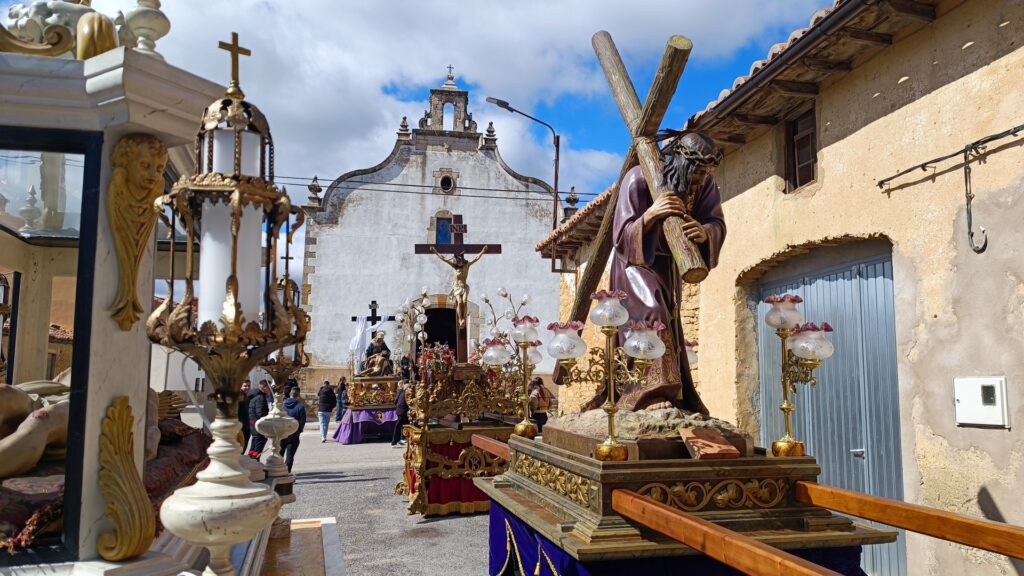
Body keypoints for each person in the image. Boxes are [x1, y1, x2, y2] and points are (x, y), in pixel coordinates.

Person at [583, 131, 725, 415]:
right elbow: (621, 235)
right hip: (635, 263)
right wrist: (651, 214)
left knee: (668, 321)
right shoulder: (638, 178)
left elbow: (715, 221)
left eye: (705, 172)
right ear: (681, 162)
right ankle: (648, 392)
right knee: (652, 312)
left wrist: (705, 231)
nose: (700, 178)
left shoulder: (705, 185)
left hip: (668, 267)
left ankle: (672, 393)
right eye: (696, 171)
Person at [431, 246, 487, 328]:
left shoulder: (467, 265)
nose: (458, 262)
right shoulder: (454, 267)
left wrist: (482, 251)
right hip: (457, 288)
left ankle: (464, 318)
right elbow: (444, 258)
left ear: (462, 260)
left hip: (464, 287)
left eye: (459, 261)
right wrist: (435, 251)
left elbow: (476, 258)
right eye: (457, 261)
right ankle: (460, 319)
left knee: (464, 301)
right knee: (460, 302)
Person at [280, 388, 306, 473]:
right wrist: (298, 431)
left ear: (290, 394)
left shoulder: (282, 405)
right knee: (290, 456)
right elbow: (302, 421)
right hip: (293, 434)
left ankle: (278, 471)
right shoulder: (300, 406)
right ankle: (287, 473)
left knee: (279, 454)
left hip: (282, 433)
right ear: (298, 395)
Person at [247, 379, 272, 458]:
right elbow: (260, 413)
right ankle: (254, 463)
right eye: (269, 387)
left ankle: (251, 461)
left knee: (254, 445)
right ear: (264, 388)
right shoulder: (260, 398)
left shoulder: (255, 396)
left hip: (253, 425)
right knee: (258, 448)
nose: (270, 389)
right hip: (259, 426)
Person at [391, 380, 409, 448]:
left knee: (404, 425)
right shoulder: (404, 391)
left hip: (402, 411)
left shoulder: (401, 391)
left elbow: (395, 401)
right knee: (399, 425)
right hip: (402, 411)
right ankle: (395, 441)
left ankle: (402, 439)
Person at [238, 379, 252, 454]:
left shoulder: (245, 396)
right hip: (241, 427)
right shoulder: (240, 396)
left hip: (245, 426)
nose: (247, 387)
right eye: (245, 386)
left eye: (249, 386)